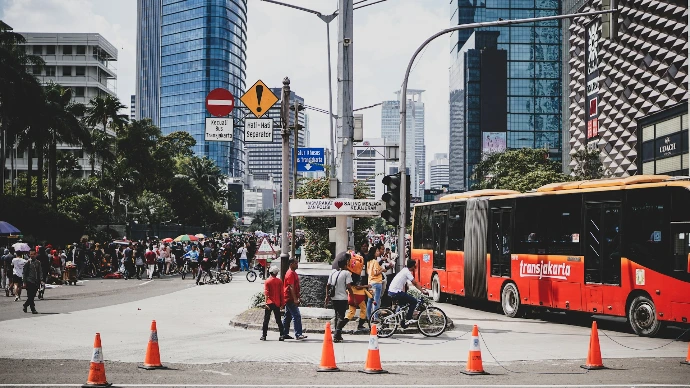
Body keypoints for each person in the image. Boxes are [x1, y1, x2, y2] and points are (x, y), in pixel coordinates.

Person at [388, 259, 428, 327]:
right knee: (414, 301)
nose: (415, 268)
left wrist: (421, 288)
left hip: (392, 291)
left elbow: (411, 283)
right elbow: (414, 283)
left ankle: (400, 321)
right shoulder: (407, 272)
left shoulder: (404, 270)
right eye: (414, 266)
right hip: (396, 292)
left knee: (403, 305)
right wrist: (422, 291)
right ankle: (408, 319)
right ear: (412, 266)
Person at [326, 254, 353, 343]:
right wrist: (353, 297)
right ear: (345, 265)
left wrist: (327, 296)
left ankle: (338, 334)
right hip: (342, 298)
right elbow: (349, 286)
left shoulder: (333, 272)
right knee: (341, 316)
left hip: (334, 297)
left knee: (337, 315)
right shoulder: (346, 273)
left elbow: (328, 285)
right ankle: (337, 334)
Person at [282, 257, 307, 340]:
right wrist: (295, 299)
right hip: (289, 298)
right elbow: (291, 287)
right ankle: (298, 334)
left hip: (290, 297)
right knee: (296, 315)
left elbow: (295, 287)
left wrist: (298, 297)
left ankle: (284, 333)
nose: (297, 264)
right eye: (295, 263)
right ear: (291, 264)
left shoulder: (293, 273)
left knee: (288, 316)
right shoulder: (290, 274)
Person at [260, 266, 285, 341]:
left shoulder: (267, 281)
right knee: (278, 320)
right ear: (276, 273)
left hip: (269, 302)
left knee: (266, 319)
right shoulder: (279, 281)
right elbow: (281, 293)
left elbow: (266, 293)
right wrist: (282, 304)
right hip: (277, 303)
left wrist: (265, 303)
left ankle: (264, 335)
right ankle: (282, 335)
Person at [366, 245, 386, 319]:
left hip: (370, 283)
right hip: (377, 283)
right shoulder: (375, 262)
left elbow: (368, 272)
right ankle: (375, 317)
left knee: (370, 301)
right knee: (376, 301)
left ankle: (369, 317)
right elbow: (376, 272)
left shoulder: (369, 261)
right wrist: (382, 270)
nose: (378, 252)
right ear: (374, 253)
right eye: (377, 251)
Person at [22, 249, 43, 314]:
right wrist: (24, 282)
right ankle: (33, 309)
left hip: (36, 281)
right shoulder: (27, 263)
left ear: (36, 254)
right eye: (31, 254)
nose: (32, 255)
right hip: (29, 281)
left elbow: (40, 271)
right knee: (30, 295)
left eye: (34, 254)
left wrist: (41, 280)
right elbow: (24, 273)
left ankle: (25, 305)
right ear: (29, 255)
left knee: (33, 295)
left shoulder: (38, 262)